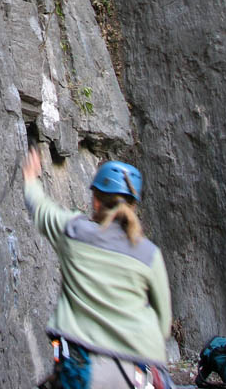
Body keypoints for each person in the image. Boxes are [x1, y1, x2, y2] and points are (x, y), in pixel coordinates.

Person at [22, 149, 173, 389]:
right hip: (138, 372)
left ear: (95, 200)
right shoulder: (150, 254)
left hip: (85, 370)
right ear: (133, 206)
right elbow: (163, 325)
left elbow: (39, 207)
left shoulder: (73, 232)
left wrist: (31, 177)